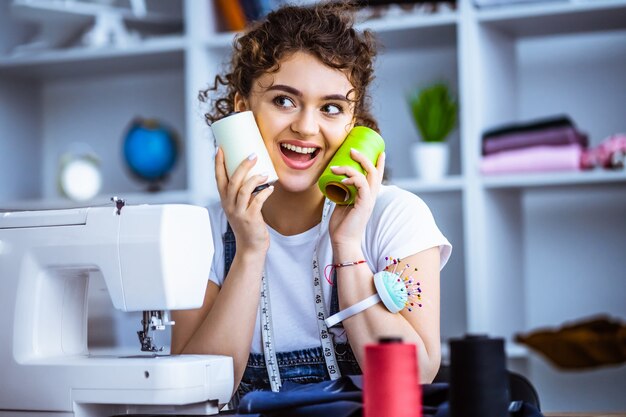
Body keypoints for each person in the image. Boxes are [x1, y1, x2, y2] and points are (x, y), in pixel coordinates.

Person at [171, 2, 452, 405]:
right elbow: (192, 392)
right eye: (284, 100)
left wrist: (348, 247)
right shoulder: (206, 236)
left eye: (331, 108)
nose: (306, 127)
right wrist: (250, 250)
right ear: (242, 109)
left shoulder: (396, 218)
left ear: (352, 124)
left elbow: (415, 375)